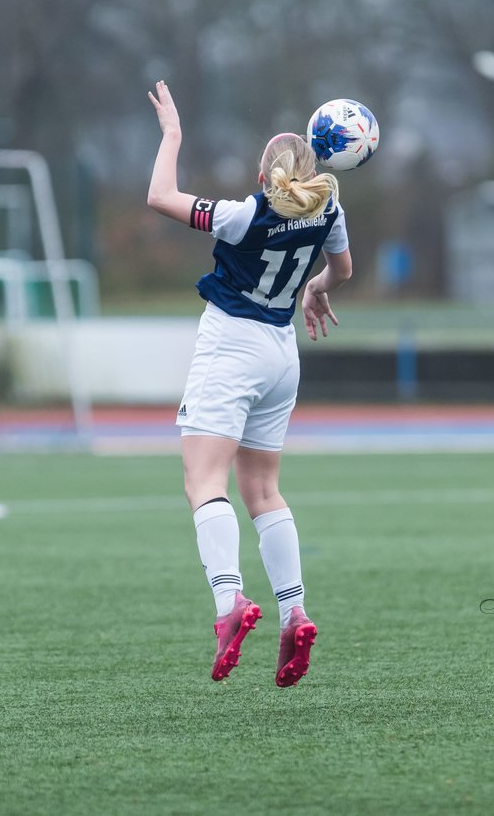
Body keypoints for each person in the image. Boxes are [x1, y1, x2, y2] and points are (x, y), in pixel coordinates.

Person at [146, 80, 352, 686]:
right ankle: (295, 611)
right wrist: (316, 289)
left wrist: (173, 136)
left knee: (204, 480)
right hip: (282, 355)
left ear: (266, 176)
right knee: (264, 491)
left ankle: (229, 603)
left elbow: (159, 196)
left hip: (232, 345)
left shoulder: (243, 215)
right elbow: (342, 269)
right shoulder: (330, 210)